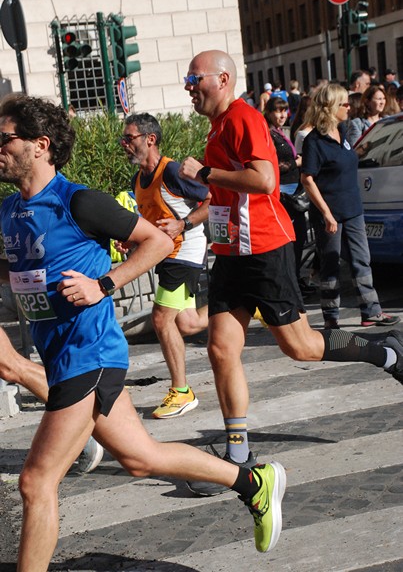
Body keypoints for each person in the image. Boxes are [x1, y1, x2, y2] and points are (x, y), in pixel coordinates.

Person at [0, 94, 286, 568]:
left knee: (36, 481)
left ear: (39, 145)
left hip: (89, 354)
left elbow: (157, 240)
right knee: (141, 458)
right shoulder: (10, 211)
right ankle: (252, 483)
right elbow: (16, 272)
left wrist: (103, 285)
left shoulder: (79, 201)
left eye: (5, 138)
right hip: (61, 357)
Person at [179, 49, 403, 497]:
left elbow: (264, 180)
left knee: (300, 347)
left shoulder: (243, 118)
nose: (189, 87)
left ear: (222, 79)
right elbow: (227, 190)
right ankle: (239, 456)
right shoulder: (218, 124)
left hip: (265, 249)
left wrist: (203, 171)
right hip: (231, 253)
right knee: (221, 349)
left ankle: (387, 353)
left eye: (194, 78)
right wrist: (187, 220)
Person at [119, 113, 209, 419]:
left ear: (150, 139)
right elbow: (150, 220)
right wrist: (133, 242)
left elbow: (213, 199)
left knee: (160, 319)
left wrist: (183, 224)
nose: (124, 144)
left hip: (185, 249)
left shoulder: (170, 171)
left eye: (129, 138)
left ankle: (181, 392)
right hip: (167, 252)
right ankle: (243, 301)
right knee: (188, 324)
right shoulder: (138, 179)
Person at [300, 83, 400, 330]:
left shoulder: (341, 132)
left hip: (353, 208)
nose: (349, 107)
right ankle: (331, 317)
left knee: (361, 259)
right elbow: (307, 179)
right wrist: (326, 214)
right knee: (331, 264)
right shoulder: (314, 140)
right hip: (330, 213)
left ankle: (371, 311)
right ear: (331, 107)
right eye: (344, 103)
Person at [264, 97, 312, 296]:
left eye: (284, 111)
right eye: (277, 111)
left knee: (298, 238)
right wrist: (297, 163)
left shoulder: (279, 132)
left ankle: (295, 279)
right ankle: (291, 283)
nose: (282, 115)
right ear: (268, 112)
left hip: (293, 193)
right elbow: (274, 165)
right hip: (283, 196)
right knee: (293, 239)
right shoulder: (268, 134)